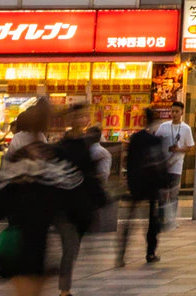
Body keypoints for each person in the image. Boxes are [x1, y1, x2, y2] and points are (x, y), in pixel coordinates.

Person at [0, 104, 82, 296]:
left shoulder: (20, 155)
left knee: (25, 287)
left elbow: (1, 196)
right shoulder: (51, 155)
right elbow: (69, 186)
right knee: (31, 285)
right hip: (37, 235)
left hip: (20, 230)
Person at [50, 102, 109, 295]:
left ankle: (61, 282)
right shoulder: (64, 146)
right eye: (78, 116)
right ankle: (63, 290)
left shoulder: (85, 145)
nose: (82, 119)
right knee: (71, 247)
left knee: (72, 247)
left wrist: (99, 198)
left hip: (79, 206)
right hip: (64, 206)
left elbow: (89, 175)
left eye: (84, 115)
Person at [120, 107, 175, 266]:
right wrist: (165, 185)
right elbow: (161, 163)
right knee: (152, 220)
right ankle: (150, 252)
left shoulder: (135, 138)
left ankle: (121, 253)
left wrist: (129, 181)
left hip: (136, 184)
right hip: (152, 186)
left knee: (129, 220)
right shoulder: (156, 140)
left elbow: (128, 161)